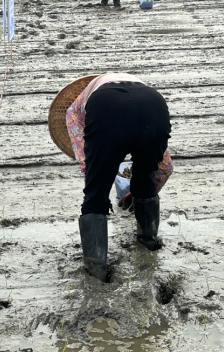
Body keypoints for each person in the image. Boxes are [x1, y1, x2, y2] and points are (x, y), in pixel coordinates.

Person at [49, 73, 173, 282]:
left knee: (95, 196)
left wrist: (97, 177)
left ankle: (96, 267)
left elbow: (87, 160)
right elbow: (164, 166)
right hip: (154, 103)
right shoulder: (137, 85)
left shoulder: (75, 108)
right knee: (145, 181)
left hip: (107, 108)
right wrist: (141, 190)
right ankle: (149, 240)